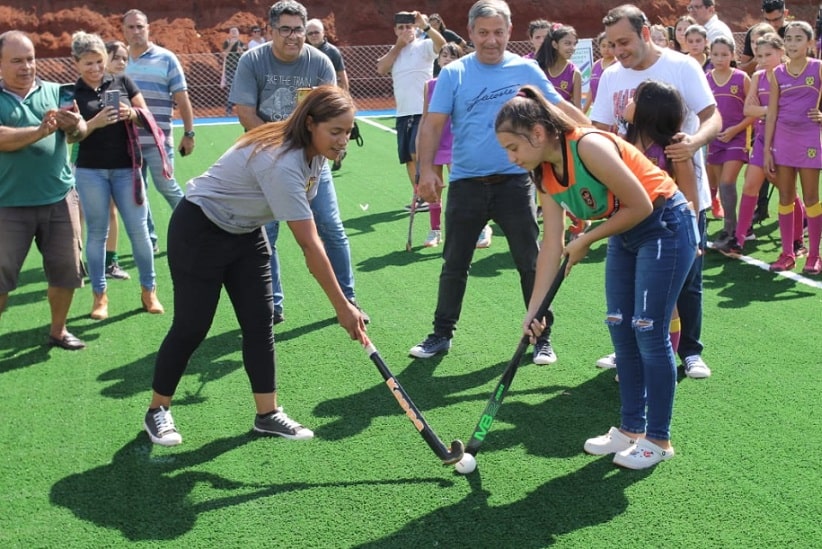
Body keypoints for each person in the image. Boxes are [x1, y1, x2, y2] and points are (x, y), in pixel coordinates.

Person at [143, 86, 367, 447]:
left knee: (259, 323)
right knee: (192, 326)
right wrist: (343, 306)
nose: (343, 141)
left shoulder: (316, 153)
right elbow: (309, 244)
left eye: (348, 131)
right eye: (336, 132)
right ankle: (157, 409)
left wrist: (345, 305)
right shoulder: (281, 161)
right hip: (200, 229)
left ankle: (267, 414)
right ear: (310, 124)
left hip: (245, 233)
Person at [495, 85, 697, 469]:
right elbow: (551, 246)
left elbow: (640, 202)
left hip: (665, 223)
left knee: (649, 332)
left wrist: (587, 239)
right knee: (621, 328)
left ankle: (658, 439)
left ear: (538, 134)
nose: (511, 157)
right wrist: (535, 311)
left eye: (513, 147)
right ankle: (630, 429)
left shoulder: (587, 146)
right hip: (627, 230)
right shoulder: (543, 174)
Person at [409, 0, 589, 364]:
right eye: (483, 33)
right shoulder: (454, 73)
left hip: (515, 183)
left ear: (510, 32)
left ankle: (542, 336)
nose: (491, 40)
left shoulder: (526, 69)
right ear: (471, 33)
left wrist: (595, 136)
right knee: (454, 263)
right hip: (466, 184)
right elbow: (432, 124)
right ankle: (441, 334)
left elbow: (559, 108)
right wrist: (426, 170)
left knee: (531, 262)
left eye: (499, 32)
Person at [591, 4, 721, 379]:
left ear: (645, 33)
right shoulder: (611, 75)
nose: (618, 51)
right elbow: (598, 129)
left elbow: (713, 116)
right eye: (612, 44)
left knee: (687, 281)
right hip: (630, 204)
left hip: (680, 197)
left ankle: (690, 351)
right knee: (633, 283)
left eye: (625, 41)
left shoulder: (682, 67)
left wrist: (692, 143)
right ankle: (631, 351)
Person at [230, 0, 369, 325]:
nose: (293, 36)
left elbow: (330, 114)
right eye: (286, 29)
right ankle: (272, 304)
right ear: (271, 30)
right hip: (267, 161)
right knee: (267, 235)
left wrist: (309, 149)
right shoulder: (252, 60)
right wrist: (282, 147)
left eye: (299, 30)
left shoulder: (319, 62)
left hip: (311, 162)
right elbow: (245, 112)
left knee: (331, 229)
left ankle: (348, 299)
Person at [597, 80, 700, 372]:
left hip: (665, 234)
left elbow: (689, 196)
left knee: (665, 305)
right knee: (627, 300)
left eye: (635, 97)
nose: (627, 101)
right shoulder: (622, 142)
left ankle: (659, 364)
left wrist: (693, 239)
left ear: (649, 109)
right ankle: (629, 358)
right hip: (627, 233)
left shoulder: (673, 147)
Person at [0, 30, 89, 350]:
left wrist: (72, 124)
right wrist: (40, 130)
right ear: (0, 64)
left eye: (30, 59)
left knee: (66, 271)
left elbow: (79, 132)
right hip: (7, 204)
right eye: (16, 61)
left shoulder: (56, 91)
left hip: (59, 199)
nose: (26, 67)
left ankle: (58, 330)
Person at [70, 31, 163, 320]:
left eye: (99, 61)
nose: (96, 68)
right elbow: (71, 137)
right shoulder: (71, 93)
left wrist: (131, 113)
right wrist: (94, 122)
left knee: (139, 233)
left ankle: (149, 291)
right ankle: (100, 297)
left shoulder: (122, 81)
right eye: (88, 63)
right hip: (90, 171)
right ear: (77, 64)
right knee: (97, 233)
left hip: (127, 169)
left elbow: (146, 115)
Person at [122, 8, 196, 253]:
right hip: (127, 141)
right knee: (136, 192)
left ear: (148, 28)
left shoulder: (166, 58)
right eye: (130, 27)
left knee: (167, 186)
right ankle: (149, 239)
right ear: (123, 31)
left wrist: (189, 133)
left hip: (157, 138)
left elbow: (182, 99)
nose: (136, 31)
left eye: (140, 26)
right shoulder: (118, 62)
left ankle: (196, 229)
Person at [718, 32, 796, 257]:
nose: (762, 60)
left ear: (781, 52)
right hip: (762, 138)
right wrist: (769, 110)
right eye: (759, 55)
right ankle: (739, 240)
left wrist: (765, 110)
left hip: (786, 139)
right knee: (750, 185)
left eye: (768, 54)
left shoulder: (790, 75)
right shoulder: (758, 76)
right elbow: (747, 110)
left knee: (787, 190)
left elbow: (791, 110)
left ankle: (798, 239)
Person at [763, 20, 822, 274]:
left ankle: (814, 255)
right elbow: (772, 112)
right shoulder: (777, 73)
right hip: (783, 141)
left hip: (810, 139)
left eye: (799, 38)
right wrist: (767, 149)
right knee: (786, 196)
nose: (792, 43)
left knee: (811, 198)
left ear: (809, 43)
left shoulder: (819, 68)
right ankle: (787, 253)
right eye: (788, 38)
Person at [376, 10, 445, 213]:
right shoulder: (395, 51)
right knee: (408, 157)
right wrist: (398, 46)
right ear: (395, 31)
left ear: (414, 28)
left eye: (408, 27)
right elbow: (381, 68)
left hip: (423, 111)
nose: (406, 31)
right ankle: (419, 194)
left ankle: (428, 194)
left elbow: (442, 46)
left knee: (419, 154)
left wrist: (425, 26)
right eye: (401, 28)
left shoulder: (423, 46)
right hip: (403, 113)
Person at [705, 36, 755, 246]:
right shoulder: (706, 78)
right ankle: (738, 227)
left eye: (724, 54)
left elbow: (753, 112)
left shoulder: (742, 77)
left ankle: (730, 230)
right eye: (715, 54)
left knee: (727, 183)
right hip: (714, 140)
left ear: (733, 55)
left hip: (737, 138)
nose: (719, 58)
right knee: (718, 185)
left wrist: (735, 129)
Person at [418, 43, 464, 248]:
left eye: (453, 56)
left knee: (462, 187)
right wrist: (419, 143)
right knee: (434, 187)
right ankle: (435, 230)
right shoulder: (430, 85)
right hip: (436, 141)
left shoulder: (465, 83)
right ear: (438, 60)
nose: (447, 59)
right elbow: (425, 117)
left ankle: (476, 228)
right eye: (444, 55)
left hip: (457, 143)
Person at [99, 40, 132, 281]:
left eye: (125, 58)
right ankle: (77, 261)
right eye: (117, 57)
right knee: (80, 213)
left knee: (111, 211)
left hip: (117, 158)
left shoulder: (124, 84)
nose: (121, 62)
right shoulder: (91, 84)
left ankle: (110, 262)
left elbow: (140, 112)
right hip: (88, 160)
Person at [306, 18, 350, 170]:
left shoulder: (332, 51)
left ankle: (338, 153)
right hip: (310, 99)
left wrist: (346, 99)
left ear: (323, 33)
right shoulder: (304, 51)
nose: (313, 35)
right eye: (310, 33)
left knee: (331, 130)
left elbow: (342, 75)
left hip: (328, 100)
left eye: (316, 32)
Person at [536, 23, 582, 109]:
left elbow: (578, 108)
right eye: (567, 43)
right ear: (555, 44)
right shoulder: (540, 68)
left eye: (574, 44)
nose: (572, 48)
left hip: (563, 121)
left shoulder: (574, 73)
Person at [739, 0, 790, 76]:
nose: (772, 24)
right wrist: (759, 57)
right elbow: (743, 69)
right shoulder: (755, 32)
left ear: (785, 13)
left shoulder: (794, 32)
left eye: (776, 19)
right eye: (767, 20)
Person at [586, 31, 615, 112]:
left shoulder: (618, 65)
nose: (606, 49)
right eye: (603, 46)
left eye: (609, 46)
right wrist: (583, 112)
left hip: (612, 112)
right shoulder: (595, 65)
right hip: (598, 111)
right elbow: (591, 91)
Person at [221, 27, 245, 116]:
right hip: (230, 69)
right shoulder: (227, 43)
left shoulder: (241, 43)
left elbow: (244, 56)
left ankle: (241, 110)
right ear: (229, 34)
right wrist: (231, 45)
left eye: (236, 31)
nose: (234, 33)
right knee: (230, 89)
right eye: (232, 32)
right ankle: (229, 110)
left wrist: (241, 51)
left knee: (241, 89)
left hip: (239, 69)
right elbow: (224, 54)